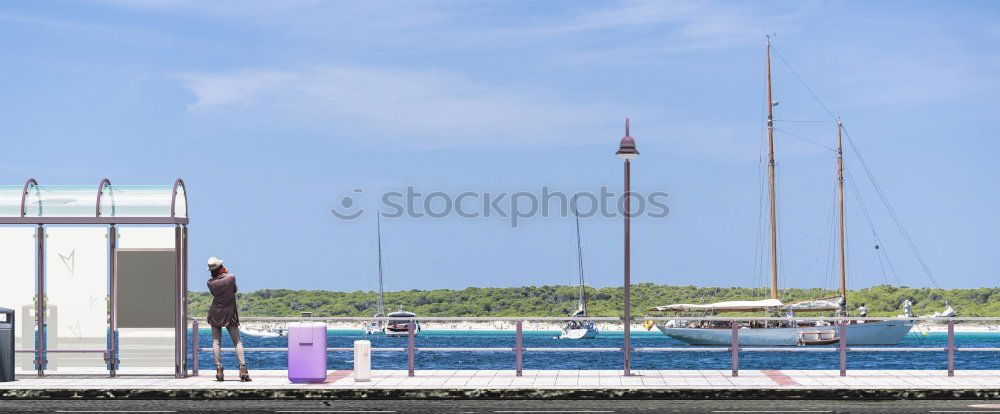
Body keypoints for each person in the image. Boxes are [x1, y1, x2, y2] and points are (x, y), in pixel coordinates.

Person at [206, 256, 251, 382]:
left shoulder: (210, 282)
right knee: (237, 341)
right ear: (221, 267)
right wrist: (226, 272)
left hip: (215, 312)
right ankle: (243, 369)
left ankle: (219, 370)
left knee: (216, 341)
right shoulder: (231, 277)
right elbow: (234, 290)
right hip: (229, 313)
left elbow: (217, 293)